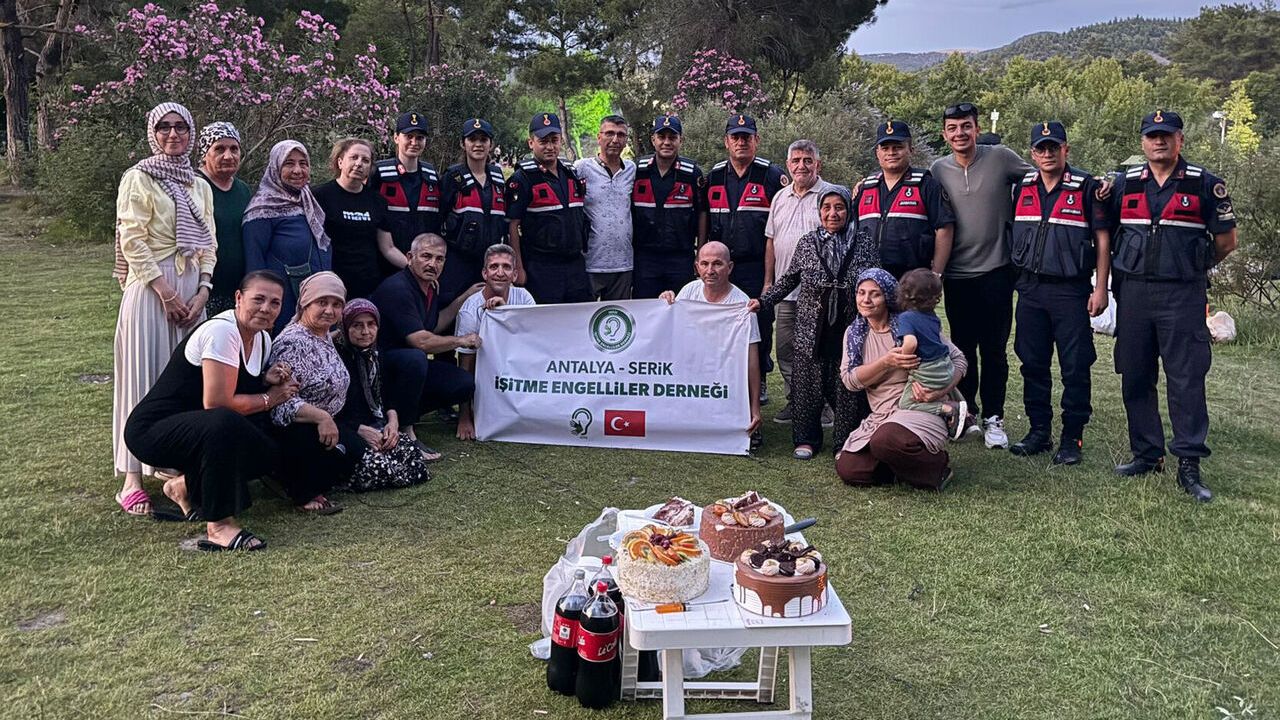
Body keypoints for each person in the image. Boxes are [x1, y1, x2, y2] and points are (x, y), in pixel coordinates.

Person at [1103, 110, 1237, 502]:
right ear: (1142, 142)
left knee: (1186, 379)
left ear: (1180, 140)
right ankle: (1147, 454)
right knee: (1135, 374)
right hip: (1134, 293)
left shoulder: (1204, 184)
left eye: (1166, 135)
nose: (1158, 141)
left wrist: (1192, 264)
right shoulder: (1124, 184)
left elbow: (1227, 242)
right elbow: (1107, 233)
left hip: (1182, 294)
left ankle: (1189, 464)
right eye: (1152, 135)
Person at [124, 271, 298, 551]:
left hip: (199, 429)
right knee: (224, 422)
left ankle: (183, 487)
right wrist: (270, 398)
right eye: (259, 299)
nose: (266, 308)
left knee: (267, 451)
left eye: (275, 303)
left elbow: (237, 383)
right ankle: (218, 526)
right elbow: (217, 403)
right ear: (238, 298)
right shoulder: (222, 331)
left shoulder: (262, 338)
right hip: (152, 431)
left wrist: (266, 379)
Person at [112, 101, 217, 518]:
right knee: (143, 378)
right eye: (164, 127)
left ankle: (175, 465)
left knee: (186, 383)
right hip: (152, 289)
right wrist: (166, 293)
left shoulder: (198, 184)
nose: (173, 134)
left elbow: (209, 242)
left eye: (181, 127)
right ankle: (132, 478)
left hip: (192, 291)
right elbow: (132, 240)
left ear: (191, 133)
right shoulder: (138, 177)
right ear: (153, 133)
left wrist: (203, 291)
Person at [1007, 122, 1112, 465]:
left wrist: (1100, 288)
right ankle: (1039, 431)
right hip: (1031, 290)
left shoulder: (1087, 187)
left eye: (1054, 147)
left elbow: (1102, 240)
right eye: (1041, 148)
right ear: (1032, 153)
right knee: (1032, 363)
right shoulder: (1022, 187)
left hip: (1071, 291)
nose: (1048, 153)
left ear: (1066, 149)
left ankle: (1072, 438)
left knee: (1075, 366)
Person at [930, 102, 1032, 449]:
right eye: (953, 128)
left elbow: (1042, 176)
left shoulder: (1001, 157)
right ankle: (968, 413)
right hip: (957, 276)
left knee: (994, 350)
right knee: (962, 349)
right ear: (945, 134)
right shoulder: (937, 169)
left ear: (976, 129)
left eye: (966, 126)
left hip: (996, 271)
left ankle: (994, 417)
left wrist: (1092, 185)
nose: (960, 133)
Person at [752, 187, 879, 459]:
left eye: (839, 207)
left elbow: (876, 279)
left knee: (846, 384)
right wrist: (763, 301)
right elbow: (790, 279)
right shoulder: (808, 242)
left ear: (849, 210)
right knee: (807, 384)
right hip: (811, 325)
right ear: (819, 211)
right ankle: (806, 439)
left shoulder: (863, 242)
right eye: (827, 207)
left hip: (849, 324)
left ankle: (845, 441)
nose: (833, 213)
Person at [837, 269, 969, 490]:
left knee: (886, 440)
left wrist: (939, 392)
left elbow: (959, 360)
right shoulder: (855, 334)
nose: (866, 300)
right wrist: (887, 362)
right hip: (882, 414)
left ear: (888, 296)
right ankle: (903, 465)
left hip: (920, 407)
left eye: (875, 294)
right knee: (850, 469)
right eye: (861, 292)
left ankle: (938, 468)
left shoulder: (911, 324)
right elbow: (850, 380)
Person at [370, 233, 483, 460]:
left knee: (463, 383)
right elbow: (421, 341)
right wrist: (461, 340)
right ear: (409, 257)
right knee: (415, 357)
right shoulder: (398, 288)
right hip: (379, 370)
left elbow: (434, 324)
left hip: (405, 369)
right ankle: (406, 432)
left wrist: (466, 296)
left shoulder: (430, 287)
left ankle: (400, 414)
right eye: (426, 256)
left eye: (439, 259)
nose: (432, 264)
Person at [705, 114, 787, 405]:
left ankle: (759, 379)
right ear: (726, 141)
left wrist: (769, 279)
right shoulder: (713, 176)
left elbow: (779, 229)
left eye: (746, 137)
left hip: (756, 265)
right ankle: (722, 378)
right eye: (735, 137)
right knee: (719, 324)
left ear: (756, 140)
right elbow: (704, 220)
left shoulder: (771, 175)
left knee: (759, 323)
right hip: (720, 267)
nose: (741, 142)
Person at [264, 272, 355, 514]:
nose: (329, 310)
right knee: (370, 468)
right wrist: (322, 418)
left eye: (336, 304)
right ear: (305, 304)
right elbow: (281, 402)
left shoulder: (322, 334)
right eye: (322, 302)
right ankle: (295, 483)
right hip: (300, 431)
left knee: (379, 457)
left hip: (330, 425)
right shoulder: (293, 342)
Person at [660, 242, 763, 449]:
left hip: (725, 376)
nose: (710, 270)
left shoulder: (743, 305)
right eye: (704, 264)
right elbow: (666, 336)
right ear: (696, 267)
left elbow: (752, 362)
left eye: (717, 264)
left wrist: (755, 410)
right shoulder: (688, 292)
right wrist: (663, 304)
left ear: (730, 267)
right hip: (693, 371)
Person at [763, 139, 836, 424]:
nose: (801, 166)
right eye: (796, 160)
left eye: (807, 160)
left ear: (818, 164)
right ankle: (796, 401)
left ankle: (824, 405)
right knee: (785, 350)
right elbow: (771, 241)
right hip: (785, 291)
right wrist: (768, 281)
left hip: (819, 293)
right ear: (788, 164)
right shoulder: (780, 197)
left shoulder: (830, 195)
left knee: (818, 350)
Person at [333, 299, 431, 491]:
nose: (365, 332)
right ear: (345, 327)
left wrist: (392, 422)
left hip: (375, 425)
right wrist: (360, 430)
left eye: (371, 324)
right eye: (357, 325)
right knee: (379, 468)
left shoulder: (375, 354)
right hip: (345, 429)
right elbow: (332, 410)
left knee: (414, 462)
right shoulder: (335, 359)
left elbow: (386, 394)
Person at [243, 140, 332, 334]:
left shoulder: (308, 201)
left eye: (303, 163)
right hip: (281, 306)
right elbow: (254, 264)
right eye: (289, 163)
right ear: (275, 167)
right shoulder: (262, 209)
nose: (298, 170)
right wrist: (261, 311)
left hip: (314, 302)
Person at [506, 113, 592, 303]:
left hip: (575, 265)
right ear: (531, 143)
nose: (550, 147)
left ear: (561, 140)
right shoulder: (523, 178)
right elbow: (512, 225)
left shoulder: (571, 173)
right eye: (543, 141)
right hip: (541, 267)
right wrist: (518, 267)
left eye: (554, 140)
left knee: (580, 316)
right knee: (545, 318)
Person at [454, 244, 537, 440]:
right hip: (486, 374)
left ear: (514, 275)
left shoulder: (524, 297)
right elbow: (465, 365)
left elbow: (533, 342)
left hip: (517, 368)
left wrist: (505, 312)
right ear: (485, 273)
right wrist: (464, 417)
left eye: (506, 267)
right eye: (494, 267)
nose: (500, 273)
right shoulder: (470, 310)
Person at [853, 120, 955, 280]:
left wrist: (936, 274)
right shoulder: (865, 188)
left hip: (913, 279)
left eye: (898, 147)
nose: (891, 153)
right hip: (870, 279)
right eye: (885, 148)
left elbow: (945, 228)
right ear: (877, 153)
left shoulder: (927, 185)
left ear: (911, 150)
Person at [313, 138, 404, 300]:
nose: (359, 164)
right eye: (353, 157)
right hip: (331, 287)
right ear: (340, 162)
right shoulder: (319, 196)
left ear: (370, 168)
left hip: (368, 288)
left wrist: (413, 268)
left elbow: (388, 248)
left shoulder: (377, 201)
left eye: (365, 160)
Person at [631, 114, 704, 299]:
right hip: (645, 258)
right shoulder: (638, 171)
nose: (666, 142)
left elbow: (702, 213)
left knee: (680, 308)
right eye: (661, 137)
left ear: (680, 140)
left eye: (672, 137)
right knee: (646, 308)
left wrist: (701, 252)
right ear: (653, 140)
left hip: (680, 257)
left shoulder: (692, 174)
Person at [439, 118, 507, 308]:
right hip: (457, 261)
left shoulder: (498, 177)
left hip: (489, 263)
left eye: (483, 140)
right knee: (454, 309)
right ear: (463, 143)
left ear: (491, 144)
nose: (478, 144)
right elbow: (438, 217)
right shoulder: (453, 177)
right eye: (472, 139)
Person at [893, 269, 968, 438]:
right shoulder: (932, 316)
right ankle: (962, 416)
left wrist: (904, 359)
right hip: (946, 366)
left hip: (928, 370)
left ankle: (948, 408)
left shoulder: (906, 317)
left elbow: (911, 343)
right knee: (939, 387)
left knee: (906, 403)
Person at [370, 111, 443, 269]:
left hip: (425, 266)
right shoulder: (379, 173)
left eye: (420, 138)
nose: (414, 142)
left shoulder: (432, 177)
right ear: (396, 138)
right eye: (409, 136)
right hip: (384, 264)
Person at [575, 115, 636, 300]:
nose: (615, 140)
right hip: (590, 262)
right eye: (609, 133)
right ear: (599, 137)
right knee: (586, 315)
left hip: (623, 263)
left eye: (621, 135)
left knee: (617, 315)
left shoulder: (632, 170)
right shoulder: (581, 168)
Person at [195, 121, 252, 315]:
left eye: (234, 149)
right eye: (219, 149)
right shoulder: (194, 187)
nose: (228, 156)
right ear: (205, 154)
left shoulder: (242, 190)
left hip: (236, 290)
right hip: (201, 289)